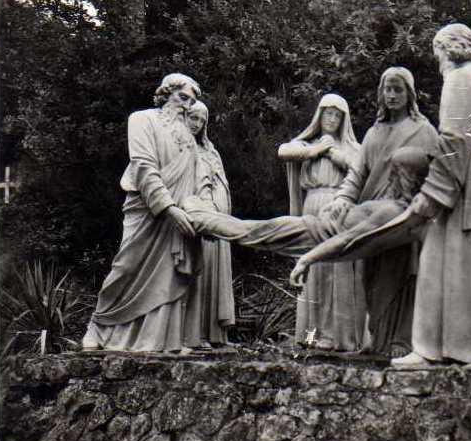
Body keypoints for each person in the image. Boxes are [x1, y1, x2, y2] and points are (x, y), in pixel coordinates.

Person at [392, 24, 471, 366]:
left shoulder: (459, 81)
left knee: (438, 263)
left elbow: (453, 142)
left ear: (449, 50)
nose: (437, 62)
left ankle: (429, 349)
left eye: (437, 54)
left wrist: (431, 194)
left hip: (462, 186)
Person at [182, 146, 431, 288]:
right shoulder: (400, 209)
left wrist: (306, 260)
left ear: (407, 175)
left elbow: (347, 240)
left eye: (395, 173)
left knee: (251, 232)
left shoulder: (394, 211)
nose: (389, 178)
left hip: (311, 232)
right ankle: (200, 216)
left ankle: (197, 216)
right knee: (251, 231)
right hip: (314, 226)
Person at [321, 68, 439, 358]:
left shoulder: (423, 130)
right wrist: (342, 198)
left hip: (403, 216)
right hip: (370, 215)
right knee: (371, 279)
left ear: (409, 94)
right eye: (388, 89)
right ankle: (376, 339)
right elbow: (357, 173)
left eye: (398, 89)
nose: (392, 95)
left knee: (400, 276)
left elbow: (436, 173)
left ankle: (401, 341)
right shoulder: (374, 132)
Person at [81, 73, 201, 352]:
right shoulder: (141, 119)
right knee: (126, 266)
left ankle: (161, 339)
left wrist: (193, 209)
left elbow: (195, 178)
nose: (186, 105)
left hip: (179, 216)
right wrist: (168, 208)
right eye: (182, 97)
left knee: (170, 274)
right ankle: (98, 327)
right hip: (147, 208)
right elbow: (144, 166)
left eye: (191, 101)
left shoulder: (188, 138)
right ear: (166, 94)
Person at [277, 94, 365, 352]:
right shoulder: (308, 144)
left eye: (337, 115)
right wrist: (317, 149)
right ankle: (312, 335)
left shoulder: (350, 148)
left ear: (343, 120)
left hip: (338, 207)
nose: (332, 119)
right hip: (312, 207)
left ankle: (336, 335)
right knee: (312, 272)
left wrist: (335, 154)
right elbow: (284, 151)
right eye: (327, 113)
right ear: (319, 115)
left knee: (333, 272)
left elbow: (361, 167)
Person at [182, 101, 235, 349]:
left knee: (215, 273)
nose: (197, 124)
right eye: (193, 118)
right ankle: (195, 334)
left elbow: (221, 182)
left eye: (202, 120)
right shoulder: (181, 148)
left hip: (218, 219)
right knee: (198, 273)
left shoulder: (211, 150)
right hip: (197, 216)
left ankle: (214, 334)